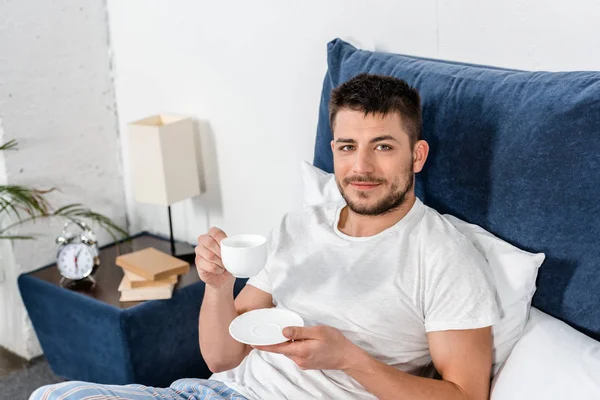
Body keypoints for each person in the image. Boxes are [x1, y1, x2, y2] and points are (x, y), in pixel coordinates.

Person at [31, 73, 500, 400]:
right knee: (54, 393)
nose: (361, 168)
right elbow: (222, 358)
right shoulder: (300, 227)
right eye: (347, 147)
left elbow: (463, 395)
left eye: (383, 147)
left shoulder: (443, 256)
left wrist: (349, 359)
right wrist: (217, 287)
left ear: (417, 156)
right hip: (218, 392)